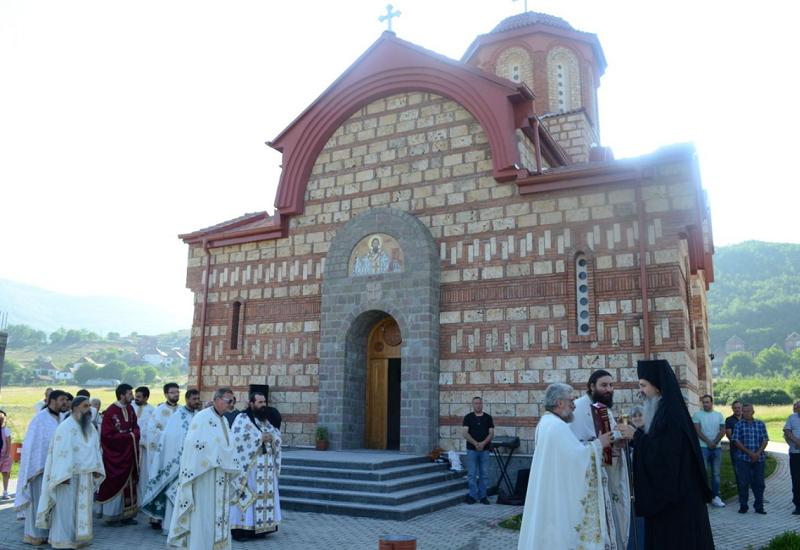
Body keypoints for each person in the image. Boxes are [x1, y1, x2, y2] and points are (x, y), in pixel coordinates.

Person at [518, 383, 615, 549]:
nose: (574, 405)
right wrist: (599, 444)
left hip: (551, 489)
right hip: (558, 496)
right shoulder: (557, 427)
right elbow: (577, 459)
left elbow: (568, 456)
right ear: (559, 402)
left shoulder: (546, 422)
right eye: (571, 400)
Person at [632, 359, 714, 549]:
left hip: (678, 500)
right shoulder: (664, 409)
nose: (641, 391)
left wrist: (636, 437)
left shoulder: (669, 413)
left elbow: (664, 456)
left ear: (657, 386)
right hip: (677, 494)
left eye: (643, 385)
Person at [167, 387, 239, 550]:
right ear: (217, 400)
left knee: (216, 516)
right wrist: (222, 454)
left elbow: (229, 445)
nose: (231, 404)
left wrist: (227, 455)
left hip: (220, 476)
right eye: (229, 400)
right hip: (204, 477)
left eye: (233, 401)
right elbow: (194, 445)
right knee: (203, 516)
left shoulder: (224, 420)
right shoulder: (202, 418)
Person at [571, 369, 632, 549]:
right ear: (592, 386)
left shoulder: (604, 409)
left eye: (611, 385)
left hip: (606, 477)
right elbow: (574, 448)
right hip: (589, 483)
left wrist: (617, 444)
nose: (609, 389)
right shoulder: (577, 409)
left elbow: (610, 439)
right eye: (604, 385)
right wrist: (597, 445)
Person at [35, 396, 105, 549]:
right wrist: (62, 474)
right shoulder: (65, 427)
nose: (89, 409)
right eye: (85, 406)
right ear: (75, 407)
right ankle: (62, 541)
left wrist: (96, 469)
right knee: (65, 510)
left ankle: (80, 539)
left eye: (89, 406)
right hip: (67, 476)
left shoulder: (90, 427)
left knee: (82, 509)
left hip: (85, 476)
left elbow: (95, 449)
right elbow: (60, 453)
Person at [142, 389, 202, 534]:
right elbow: (171, 438)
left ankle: (186, 526)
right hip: (177, 462)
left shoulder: (198, 415)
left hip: (192, 462)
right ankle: (170, 526)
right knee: (174, 494)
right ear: (187, 399)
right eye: (194, 399)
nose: (197, 401)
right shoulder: (178, 416)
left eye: (198, 399)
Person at [16, 389, 67, 545]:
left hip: (57, 469)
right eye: (62, 400)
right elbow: (33, 446)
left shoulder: (63, 418)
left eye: (66, 400)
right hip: (39, 470)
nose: (65, 403)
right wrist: (38, 465)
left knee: (54, 502)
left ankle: (51, 534)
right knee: (38, 502)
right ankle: (35, 535)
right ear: (52, 401)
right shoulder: (40, 419)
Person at [230, 392, 282, 541]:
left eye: (264, 402)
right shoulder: (242, 418)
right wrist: (260, 438)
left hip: (266, 469)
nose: (263, 405)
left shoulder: (265, 420)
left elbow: (276, 435)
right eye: (260, 402)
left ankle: (260, 529)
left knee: (262, 499)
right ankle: (241, 530)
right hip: (249, 469)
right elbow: (237, 438)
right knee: (248, 498)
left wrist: (273, 437)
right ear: (251, 403)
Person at [97, 383, 141, 524]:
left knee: (130, 483)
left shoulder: (130, 409)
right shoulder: (111, 411)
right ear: (122, 395)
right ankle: (112, 516)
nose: (132, 396)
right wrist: (129, 436)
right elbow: (107, 436)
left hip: (129, 454)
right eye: (129, 394)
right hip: (115, 456)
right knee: (115, 482)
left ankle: (127, 515)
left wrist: (133, 435)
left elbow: (135, 427)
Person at [731, 403, 769, 514]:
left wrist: (757, 454)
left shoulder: (760, 424)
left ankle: (759, 506)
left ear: (753, 412)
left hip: (759, 459)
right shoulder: (739, 425)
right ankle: (743, 506)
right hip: (743, 458)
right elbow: (736, 440)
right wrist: (750, 454)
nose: (746, 413)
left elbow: (765, 440)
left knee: (760, 484)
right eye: (744, 411)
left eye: (748, 411)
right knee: (743, 483)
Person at [692, 394, 726, 507]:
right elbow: (697, 431)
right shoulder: (697, 415)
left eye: (707, 402)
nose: (705, 404)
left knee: (716, 474)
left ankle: (715, 497)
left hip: (717, 448)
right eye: (704, 402)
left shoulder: (719, 415)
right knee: (703, 473)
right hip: (703, 448)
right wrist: (709, 442)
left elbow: (722, 431)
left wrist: (714, 442)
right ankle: (704, 498)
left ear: (711, 403)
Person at [462, 396, 494, 505]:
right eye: (476, 403)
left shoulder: (488, 418)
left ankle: (483, 496)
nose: (478, 405)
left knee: (484, 474)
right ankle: (472, 496)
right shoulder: (468, 417)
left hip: (485, 450)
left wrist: (483, 443)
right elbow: (465, 433)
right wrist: (475, 443)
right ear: (473, 405)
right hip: (472, 450)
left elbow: (491, 433)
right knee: (472, 474)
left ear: (482, 404)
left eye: (480, 403)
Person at [132, 386, 156, 505]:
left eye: (139, 397)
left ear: (146, 398)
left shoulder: (152, 411)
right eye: (135, 396)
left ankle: (141, 502)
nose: (136, 399)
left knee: (143, 475)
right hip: (131, 447)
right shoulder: (130, 407)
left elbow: (152, 430)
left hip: (144, 448)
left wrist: (143, 441)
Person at [627, 406, 646, 550]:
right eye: (634, 416)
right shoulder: (629, 436)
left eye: (640, 415)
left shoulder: (647, 434)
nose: (637, 418)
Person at [784, 400, 800, 515]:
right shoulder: (791, 418)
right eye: (797, 407)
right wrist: (796, 441)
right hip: (795, 453)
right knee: (796, 480)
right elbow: (787, 431)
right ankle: (798, 505)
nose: (798, 409)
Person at [724, 400, 743, 485]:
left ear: (741, 408)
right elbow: (729, 435)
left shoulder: (747, 418)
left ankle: (747, 486)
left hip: (748, 449)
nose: (737, 409)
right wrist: (739, 445)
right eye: (735, 408)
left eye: (739, 407)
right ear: (732, 409)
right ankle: (740, 488)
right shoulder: (729, 420)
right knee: (738, 470)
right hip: (735, 449)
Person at [1, 409, 12, 499]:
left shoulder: (6, 430)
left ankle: (5, 492)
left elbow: (9, 443)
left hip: (4, 456)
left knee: (5, 473)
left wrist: (7, 455)